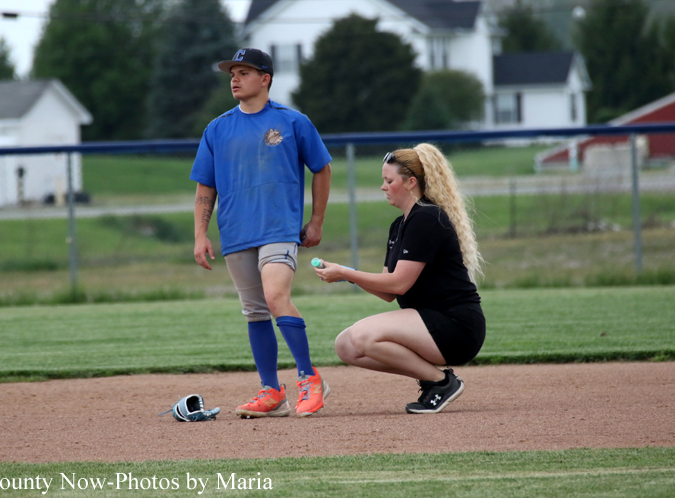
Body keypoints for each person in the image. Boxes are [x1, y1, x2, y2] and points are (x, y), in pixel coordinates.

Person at [190, 48, 333, 418]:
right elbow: (205, 187)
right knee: (254, 311)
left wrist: (316, 220)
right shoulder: (217, 128)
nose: (234, 79)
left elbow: (322, 167)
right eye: (232, 73)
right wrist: (200, 234)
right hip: (236, 232)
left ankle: (309, 377)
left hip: (278, 228)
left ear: (265, 78)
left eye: (244, 72)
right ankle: (272, 391)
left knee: (274, 296)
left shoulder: (292, 121)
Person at [313, 144, 485, 414]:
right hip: (429, 322)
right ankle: (434, 379)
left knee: (361, 336)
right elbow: (387, 292)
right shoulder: (400, 225)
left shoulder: (427, 217)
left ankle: (440, 382)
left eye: (389, 180)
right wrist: (344, 275)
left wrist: (345, 272)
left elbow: (398, 284)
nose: (383, 186)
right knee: (346, 346)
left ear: (410, 182)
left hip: (456, 325)